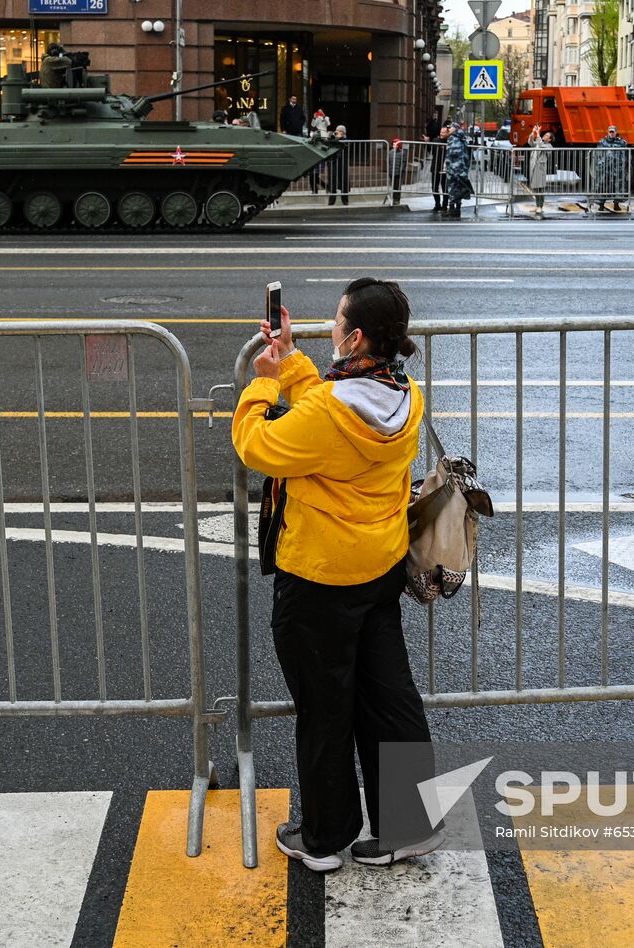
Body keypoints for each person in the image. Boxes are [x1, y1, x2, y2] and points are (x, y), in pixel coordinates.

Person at [232, 278, 441, 873]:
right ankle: (409, 826)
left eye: (336, 320)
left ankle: (325, 838)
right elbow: (325, 407)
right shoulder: (405, 395)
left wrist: (263, 383)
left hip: (319, 579)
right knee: (389, 698)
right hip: (378, 569)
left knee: (325, 709)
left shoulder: (328, 413)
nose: (330, 326)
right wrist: (294, 359)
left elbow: (259, 445)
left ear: (353, 337)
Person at [591, 124, 629, 213]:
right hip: (605, 169)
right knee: (602, 185)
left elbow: (626, 155)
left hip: (617, 168)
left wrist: (624, 166)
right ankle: (601, 204)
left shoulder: (622, 142)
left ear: (616, 132)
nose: (612, 133)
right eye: (610, 132)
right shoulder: (602, 142)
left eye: (613, 132)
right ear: (608, 132)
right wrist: (599, 166)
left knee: (618, 186)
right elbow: (598, 154)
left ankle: (616, 204)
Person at [443, 121, 473, 218]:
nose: (449, 129)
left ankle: (452, 209)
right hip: (461, 168)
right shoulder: (461, 138)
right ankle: (457, 209)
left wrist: (451, 167)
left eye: (451, 127)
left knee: (452, 188)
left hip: (454, 168)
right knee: (459, 188)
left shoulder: (454, 139)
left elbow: (454, 155)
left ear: (455, 128)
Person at [525, 125, 555, 217]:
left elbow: (541, 145)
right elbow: (530, 142)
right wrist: (533, 132)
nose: (544, 136)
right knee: (534, 187)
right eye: (544, 134)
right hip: (534, 167)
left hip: (540, 169)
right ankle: (537, 205)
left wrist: (538, 135)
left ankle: (540, 206)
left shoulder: (549, 146)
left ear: (549, 139)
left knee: (540, 188)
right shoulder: (539, 142)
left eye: (547, 136)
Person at [326, 125, 351, 205]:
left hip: (343, 162)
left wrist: (340, 137)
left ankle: (345, 200)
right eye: (337, 131)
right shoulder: (333, 138)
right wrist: (330, 136)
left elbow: (345, 144)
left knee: (344, 180)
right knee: (332, 180)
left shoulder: (346, 140)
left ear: (344, 133)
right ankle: (331, 200)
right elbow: (328, 144)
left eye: (340, 131)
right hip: (333, 162)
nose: (338, 132)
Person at [388, 137, 406, 205]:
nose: (393, 145)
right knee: (393, 186)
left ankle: (397, 199)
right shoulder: (390, 152)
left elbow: (403, 162)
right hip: (392, 172)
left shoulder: (402, 153)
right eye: (393, 144)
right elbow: (389, 162)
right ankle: (394, 198)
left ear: (398, 145)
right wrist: (389, 171)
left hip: (398, 173)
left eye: (395, 144)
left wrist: (401, 170)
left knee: (397, 186)